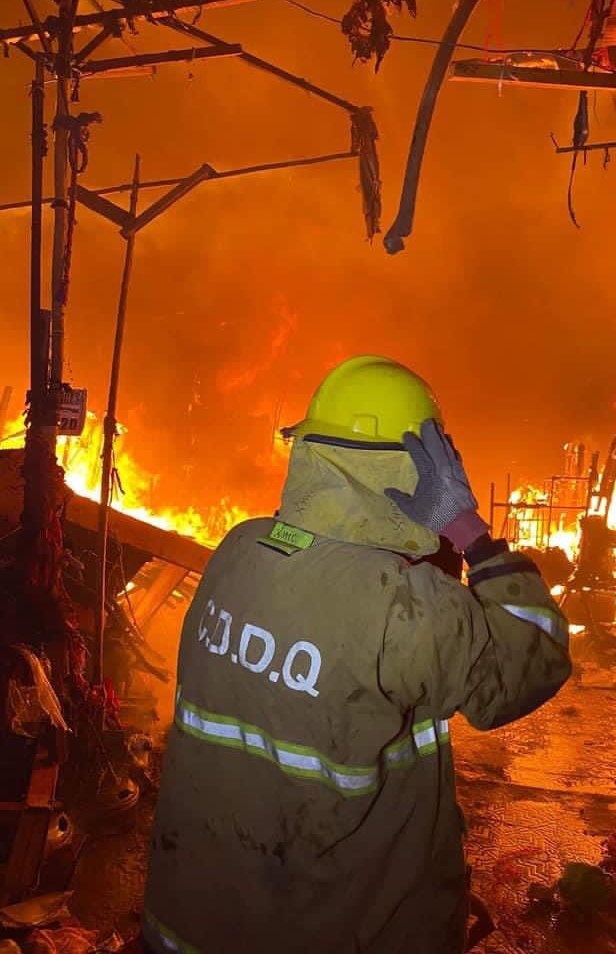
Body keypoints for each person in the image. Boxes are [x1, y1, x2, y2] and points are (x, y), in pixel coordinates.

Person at [142, 354, 571, 954]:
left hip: (194, 921)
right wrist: (470, 531)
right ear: (414, 469)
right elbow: (534, 661)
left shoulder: (237, 548)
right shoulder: (403, 604)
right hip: (332, 927)